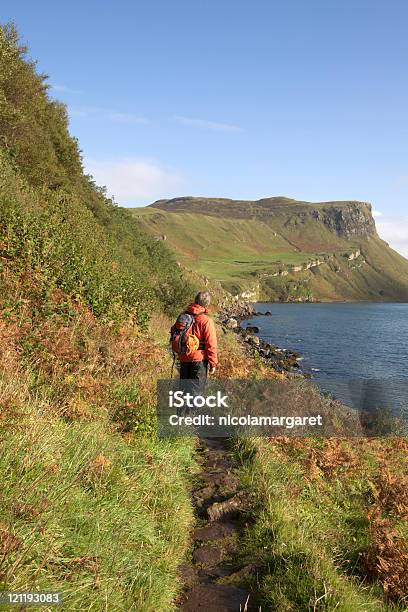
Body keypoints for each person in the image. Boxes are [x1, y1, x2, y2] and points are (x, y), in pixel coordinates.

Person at [179, 291, 218, 388]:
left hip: (184, 358)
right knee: (196, 395)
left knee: (184, 392)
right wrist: (213, 363)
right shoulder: (206, 321)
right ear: (207, 304)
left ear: (195, 300)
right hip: (198, 361)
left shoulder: (182, 317)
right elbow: (211, 344)